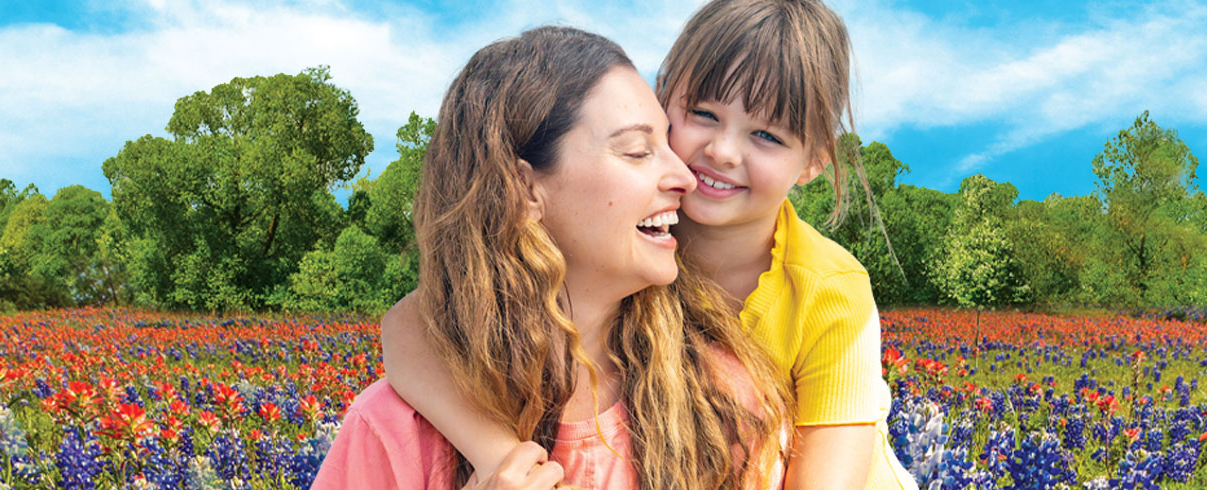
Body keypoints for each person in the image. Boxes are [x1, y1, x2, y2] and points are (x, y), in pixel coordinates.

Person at [383, 1, 916, 488]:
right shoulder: (637, 227)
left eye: (767, 136)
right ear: (664, 96)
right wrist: (502, 457)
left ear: (816, 160)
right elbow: (414, 325)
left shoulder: (832, 292)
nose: (723, 151)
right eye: (703, 114)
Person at [314, 26, 789, 490]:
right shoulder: (395, 430)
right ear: (523, 189)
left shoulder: (726, 407)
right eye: (637, 151)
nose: (685, 176)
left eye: (668, 143)